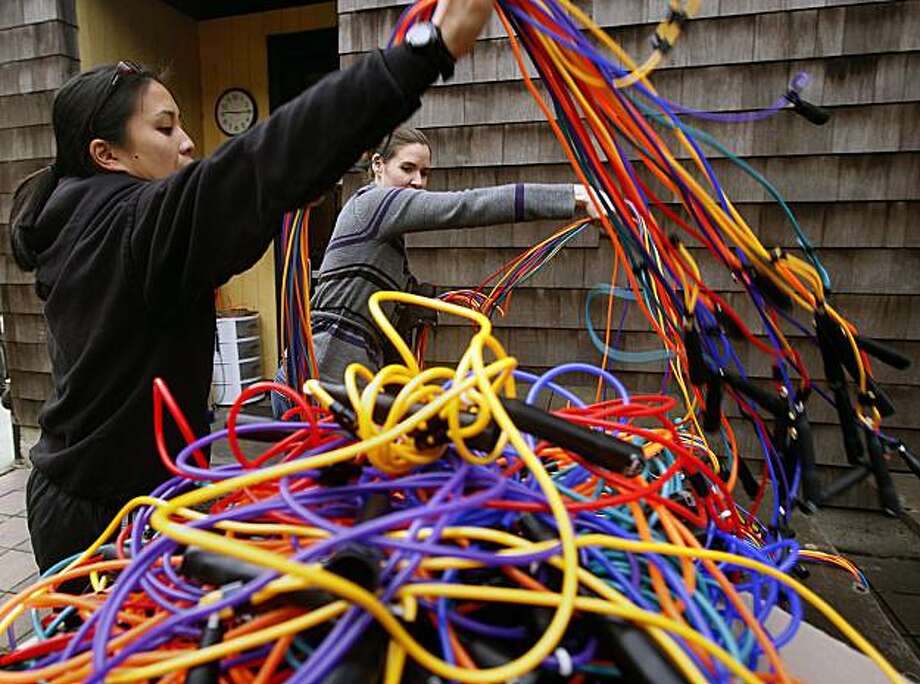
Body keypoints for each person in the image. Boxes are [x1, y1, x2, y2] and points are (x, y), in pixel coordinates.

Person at [8, 0, 493, 573]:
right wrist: (423, 52)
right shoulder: (130, 223)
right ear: (106, 153)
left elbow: (233, 195)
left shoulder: (82, 216)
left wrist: (278, 196)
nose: (187, 142)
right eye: (165, 128)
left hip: (98, 492)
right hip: (109, 520)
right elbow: (252, 169)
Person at [271, 127, 603, 416]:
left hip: (349, 376)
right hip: (323, 372)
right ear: (377, 165)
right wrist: (572, 196)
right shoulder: (373, 203)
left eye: (425, 172)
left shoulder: (384, 232)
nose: (418, 181)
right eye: (407, 168)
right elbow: (466, 205)